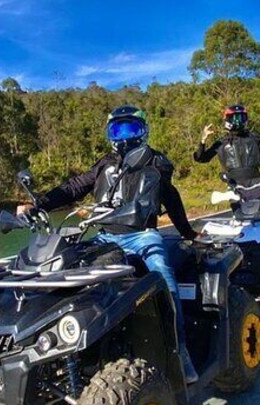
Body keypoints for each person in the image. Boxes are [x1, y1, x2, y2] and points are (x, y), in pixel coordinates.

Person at [15, 105, 201, 383]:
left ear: (143, 131)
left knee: (164, 278)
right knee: (67, 272)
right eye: (117, 129)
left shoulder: (157, 163)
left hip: (142, 235)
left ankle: (180, 350)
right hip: (105, 236)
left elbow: (171, 199)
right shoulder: (105, 164)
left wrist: (187, 231)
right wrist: (38, 203)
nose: (124, 136)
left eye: (131, 129)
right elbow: (74, 187)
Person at [194, 104, 260, 191]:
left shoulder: (255, 138)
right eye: (235, 118)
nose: (238, 121)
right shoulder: (221, 142)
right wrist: (203, 140)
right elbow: (201, 158)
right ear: (227, 119)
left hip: (256, 182)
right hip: (235, 185)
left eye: (241, 118)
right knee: (238, 204)